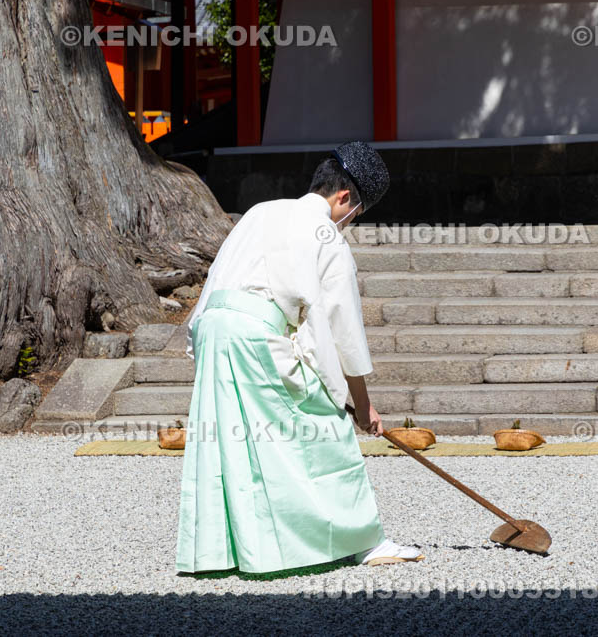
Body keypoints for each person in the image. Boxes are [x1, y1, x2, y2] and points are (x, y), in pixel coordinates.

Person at [175, 141, 424, 573]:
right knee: (324, 427)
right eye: (356, 214)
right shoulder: (326, 234)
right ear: (344, 198)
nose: (350, 224)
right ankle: (362, 540)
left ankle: (225, 552)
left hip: (215, 327)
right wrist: (359, 404)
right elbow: (342, 329)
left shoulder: (258, 212)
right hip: (257, 335)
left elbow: (218, 277)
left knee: (236, 443)